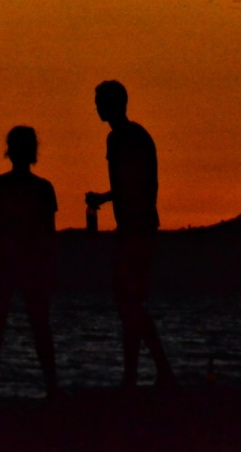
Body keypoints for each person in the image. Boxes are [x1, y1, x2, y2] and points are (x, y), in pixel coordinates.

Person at [85, 80, 174, 389]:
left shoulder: (125, 138)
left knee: (128, 303)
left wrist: (105, 199)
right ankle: (135, 376)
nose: (96, 107)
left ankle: (155, 371)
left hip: (137, 228)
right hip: (135, 226)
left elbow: (134, 184)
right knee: (129, 304)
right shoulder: (128, 136)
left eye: (100, 101)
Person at [0, 126, 59, 400]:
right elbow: (49, 233)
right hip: (31, 263)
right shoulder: (43, 188)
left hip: (5, 263)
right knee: (39, 325)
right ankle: (52, 388)